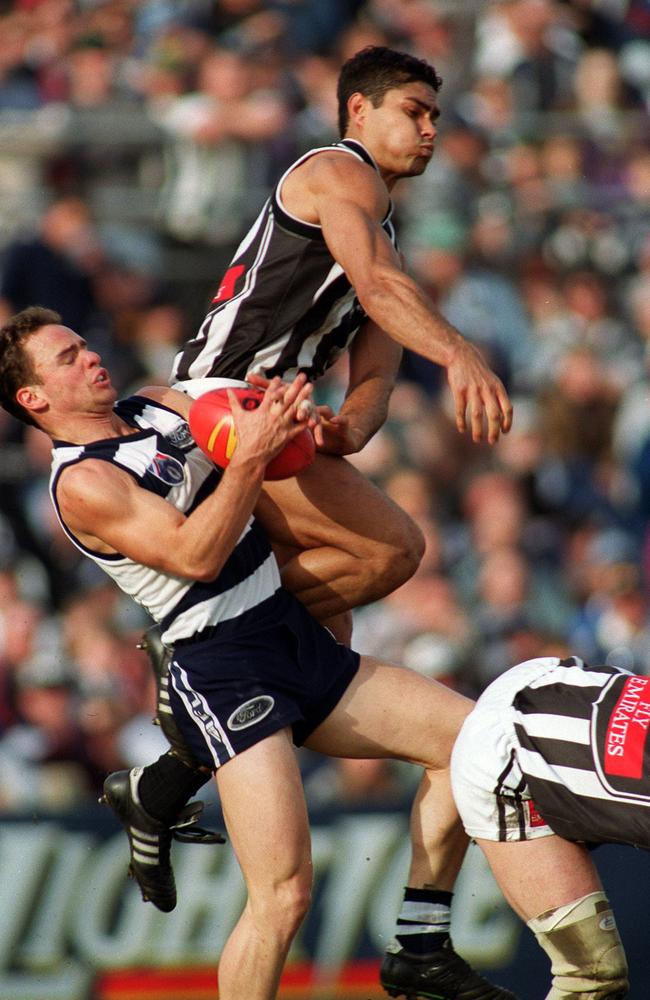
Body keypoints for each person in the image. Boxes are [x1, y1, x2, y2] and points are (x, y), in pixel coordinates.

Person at [0, 307, 517, 1000]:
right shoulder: (84, 482)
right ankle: (169, 768)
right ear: (33, 400)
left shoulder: (154, 401)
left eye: (84, 343)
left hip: (288, 629)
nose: (90, 356)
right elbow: (196, 554)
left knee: (469, 745)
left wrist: (286, 416)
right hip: (225, 665)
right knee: (283, 898)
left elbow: (246, 426)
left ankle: (420, 943)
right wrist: (249, 451)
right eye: (66, 358)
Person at [169, 44, 513, 643]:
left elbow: (377, 377)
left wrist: (350, 428)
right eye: (414, 112)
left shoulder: (380, 236)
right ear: (359, 109)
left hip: (269, 419)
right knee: (389, 550)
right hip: (220, 402)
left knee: (332, 636)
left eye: (435, 116)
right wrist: (460, 351)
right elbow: (379, 290)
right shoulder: (336, 171)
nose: (430, 128)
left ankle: (220, 687)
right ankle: (196, 631)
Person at [450, 653, 645, 1000]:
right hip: (507, 759)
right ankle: (419, 930)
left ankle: (418, 926)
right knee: (591, 977)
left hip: (554, 678)